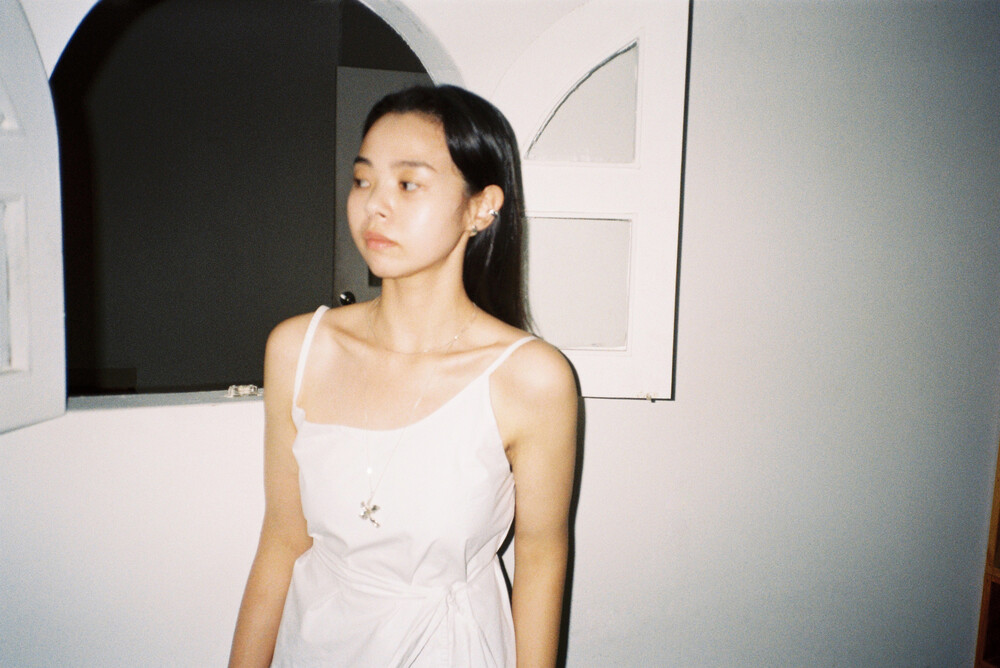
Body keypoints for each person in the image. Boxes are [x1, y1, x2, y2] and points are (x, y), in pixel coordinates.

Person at [228, 84, 578, 668]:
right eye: (363, 180)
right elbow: (283, 539)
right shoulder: (298, 348)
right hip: (314, 645)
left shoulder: (531, 378)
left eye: (408, 184)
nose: (375, 206)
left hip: (451, 649)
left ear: (481, 207)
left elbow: (541, 562)